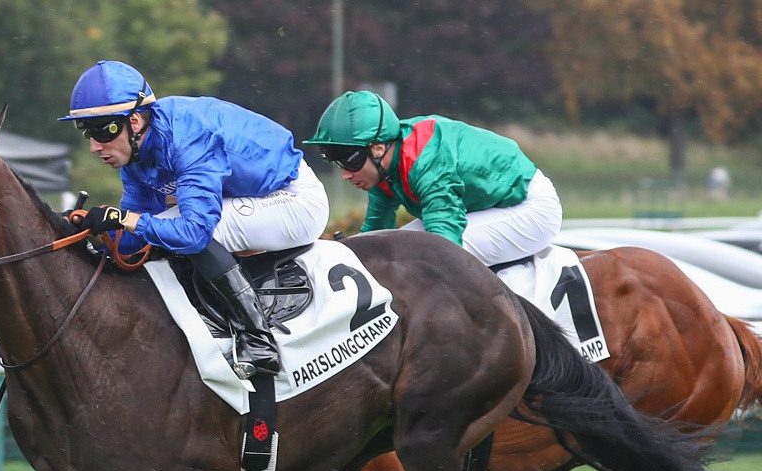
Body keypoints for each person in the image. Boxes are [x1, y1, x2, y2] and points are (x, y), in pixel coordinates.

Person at [62, 60, 328, 379]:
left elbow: (194, 234)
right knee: (156, 229)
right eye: (86, 133)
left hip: (293, 200)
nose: (93, 146)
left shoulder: (187, 138)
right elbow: (132, 238)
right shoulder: (134, 158)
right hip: (249, 196)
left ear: (133, 121)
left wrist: (123, 219)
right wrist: (90, 233)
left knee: (190, 230)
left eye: (100, 131)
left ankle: (258, 341)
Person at [303, 90, 561, 268]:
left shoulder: (426, 161)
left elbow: (444, 246)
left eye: (350, 160)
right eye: (337, 161)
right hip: (490, 206)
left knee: (422, 255)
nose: (346, 174)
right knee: (392, 249)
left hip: (530, 208)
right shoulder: (384, 165)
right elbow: (376, 235)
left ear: (378, 148)